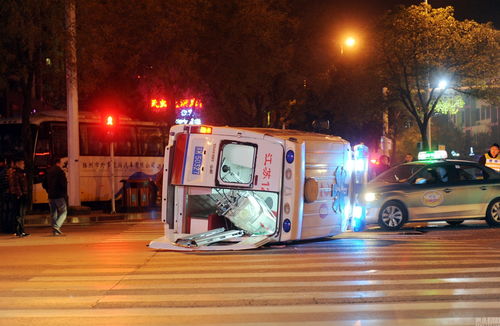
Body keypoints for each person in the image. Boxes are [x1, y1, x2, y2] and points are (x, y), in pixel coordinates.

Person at [42, 157, 68, 235]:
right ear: (58, 163)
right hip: (59, 195)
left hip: (51, 195)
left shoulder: (48, 172)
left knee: (53, 213)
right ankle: (56, 226)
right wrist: (64, 193)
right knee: (64, 212)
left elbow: (44, 184)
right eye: (61, 163)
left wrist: (49, 191)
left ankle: (55, 231)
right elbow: (63, 184)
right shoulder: (60, 172)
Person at [8, 158, 29, 237]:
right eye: (22, 163)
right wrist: (19, 195)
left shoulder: (18, 172)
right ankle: (19, 231)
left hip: (19, 195)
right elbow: (16, 185)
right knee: (19, 214)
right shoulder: (15, 172)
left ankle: (20, 231)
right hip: (19, 196)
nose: (23, 165)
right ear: (17, 164)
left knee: (20, 214)